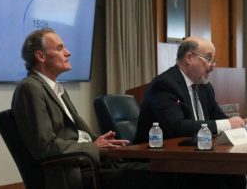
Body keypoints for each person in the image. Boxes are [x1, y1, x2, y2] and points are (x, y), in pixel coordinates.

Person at [11, 28, 179, 189]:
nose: (67, 52)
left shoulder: (55, 89)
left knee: (169, 171)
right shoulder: (31, 88)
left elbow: (75, 135)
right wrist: (94, 147)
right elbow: (44, 147)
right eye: (60, 48)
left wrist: (103, 143)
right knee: (162, 177)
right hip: (73, 173)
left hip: (91, 164)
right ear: (40, 56)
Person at [134, 36, 246, 189]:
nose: (212, 66)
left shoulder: (204, 86)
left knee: (236, 175)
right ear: (189, 58)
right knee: (216, 185)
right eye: (208, 58)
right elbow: (177, 127)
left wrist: (239, 124)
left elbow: (219, 118)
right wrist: (226, 124)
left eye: (214, 60)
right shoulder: (165, 85)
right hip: (164, 163)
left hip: (196, 159)